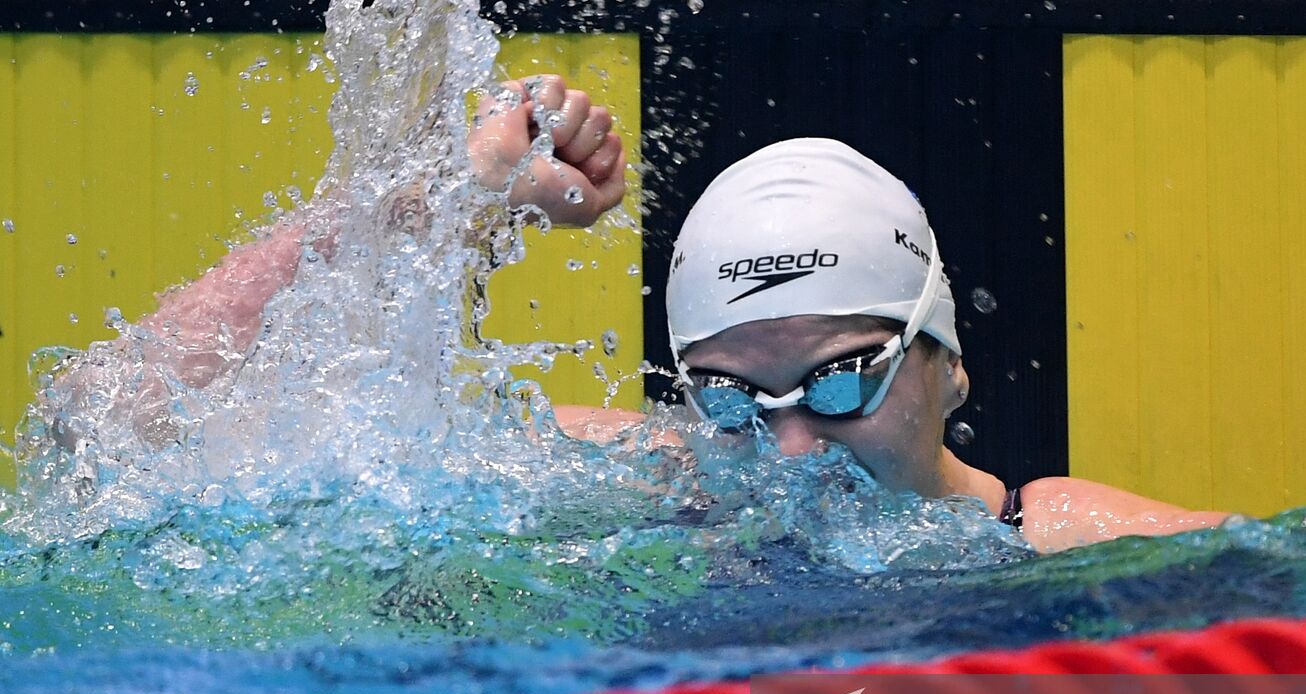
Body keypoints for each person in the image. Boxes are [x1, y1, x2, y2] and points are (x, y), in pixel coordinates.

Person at [71, 75, 1227, 553]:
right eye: (729, 397)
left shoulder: (1059, 537)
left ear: (948, 362)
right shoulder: (642, 481)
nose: (786, 448)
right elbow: (112, 424)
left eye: (841, 378)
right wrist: (442, 194)